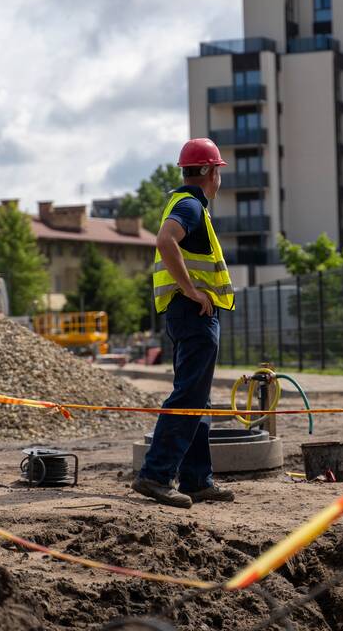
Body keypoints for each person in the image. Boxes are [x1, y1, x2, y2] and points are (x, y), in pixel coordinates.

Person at [131, 138, 237, 508]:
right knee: (189, 395)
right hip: (194, 314)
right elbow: (165, 241)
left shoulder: (186, 204)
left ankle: (195, 478)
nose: (219, 178)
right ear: (209, 172)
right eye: (218, 171)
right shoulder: (190, 206)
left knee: (197, 396)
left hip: (187, 315)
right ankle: (156, 475)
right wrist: (192, 291)